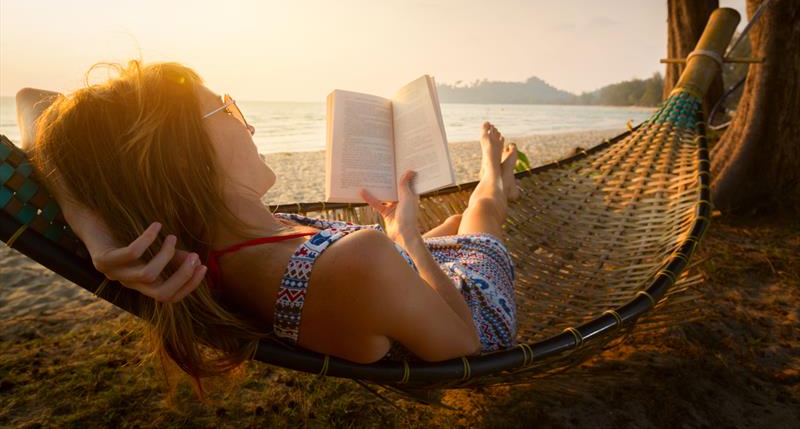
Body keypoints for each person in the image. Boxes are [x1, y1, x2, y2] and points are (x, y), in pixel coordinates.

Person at [17, 60, 519, 385]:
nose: (249, 124)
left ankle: (491, 187)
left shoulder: (212, 245)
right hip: (471, 309)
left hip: (402, 287)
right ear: (187, 157)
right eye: (228, 110)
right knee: (479, 213)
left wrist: (91, 227)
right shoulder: (360, 259)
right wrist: (406, 235)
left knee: (453, 220)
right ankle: (495, 181)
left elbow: (29, 102)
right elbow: (464, 344)